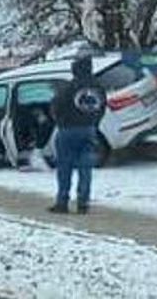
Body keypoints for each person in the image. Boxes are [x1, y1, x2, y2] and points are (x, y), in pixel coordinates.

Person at [49, 56, 107, 215]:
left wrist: (60, 121)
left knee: (64, 168)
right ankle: (83, 203)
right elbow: (102, 108)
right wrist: (94, 123)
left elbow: (55, 107)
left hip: (68, 130)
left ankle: (62, 202)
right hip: (89, 130)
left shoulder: (69, 87)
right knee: (85, 168)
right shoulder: (98, 87)